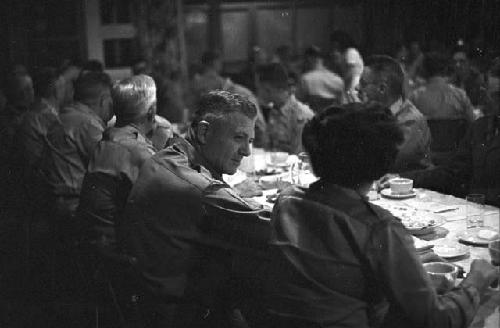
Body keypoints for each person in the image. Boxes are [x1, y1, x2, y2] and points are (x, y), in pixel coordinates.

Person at [263, 103, 498, 328]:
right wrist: (476, 282)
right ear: (384, 160)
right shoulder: (378, 227)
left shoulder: (287, 200)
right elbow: (436, 321)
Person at [118, 90, 269, 327]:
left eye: (250, 141)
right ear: (204, 132)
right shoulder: (197, 187)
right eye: (239, 138)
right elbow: (270, 227)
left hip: (153, 302)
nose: (246, 151)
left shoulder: (167, 158)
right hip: (184, 313)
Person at [386, 61, 500, 206]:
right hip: (478, 215)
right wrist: (401, 178)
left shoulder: (417, 95)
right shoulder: (481, 127)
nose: (493, 101)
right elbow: (452, 173)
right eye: (492, 95)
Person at [78, 74, 157, 252]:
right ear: (151, 112)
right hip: (120, 253)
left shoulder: (106, 141)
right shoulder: (137, 153)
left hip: (93, 247)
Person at [42, 71, 113, 220]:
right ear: (104, 100)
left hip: (56, 203)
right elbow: (112, 164)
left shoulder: (65, 116)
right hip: (76, 207)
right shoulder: (87, 123)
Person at [359, 55, 432, 172]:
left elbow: (389, 162)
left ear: (382, 88)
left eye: (363, 84)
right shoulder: (375, 113)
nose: (357, 88)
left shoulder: (411, 120)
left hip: (411, 187)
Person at [191, 50, 268, 148]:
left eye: (203, 90)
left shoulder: (241, 95)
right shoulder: (213, 98)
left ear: (213, 77)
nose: (202, 95)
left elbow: (260, 129)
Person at [256, 63, 314, 154]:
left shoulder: (301, 115)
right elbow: (267, 146)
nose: (259, 93)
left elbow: (300, 156)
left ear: (269, 89)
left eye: (261, 89)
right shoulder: (274, 110)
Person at [409, 52, 475, 122]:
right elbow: (473, 121)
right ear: (445, 69)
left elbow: (406, 124)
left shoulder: (415, 96)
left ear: (424, 70)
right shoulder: (460, 95)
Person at [296, 46, 345, 112]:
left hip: (314, 120)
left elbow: (297, 102)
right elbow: (342, 104)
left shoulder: (306, 79)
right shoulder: (338, 80)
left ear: (309, 59)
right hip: (334, 119)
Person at [329, 30, 364, 102]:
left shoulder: (351, 52)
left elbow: (352, 72)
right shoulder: (343, 54)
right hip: (348, 82)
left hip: (355, 81)